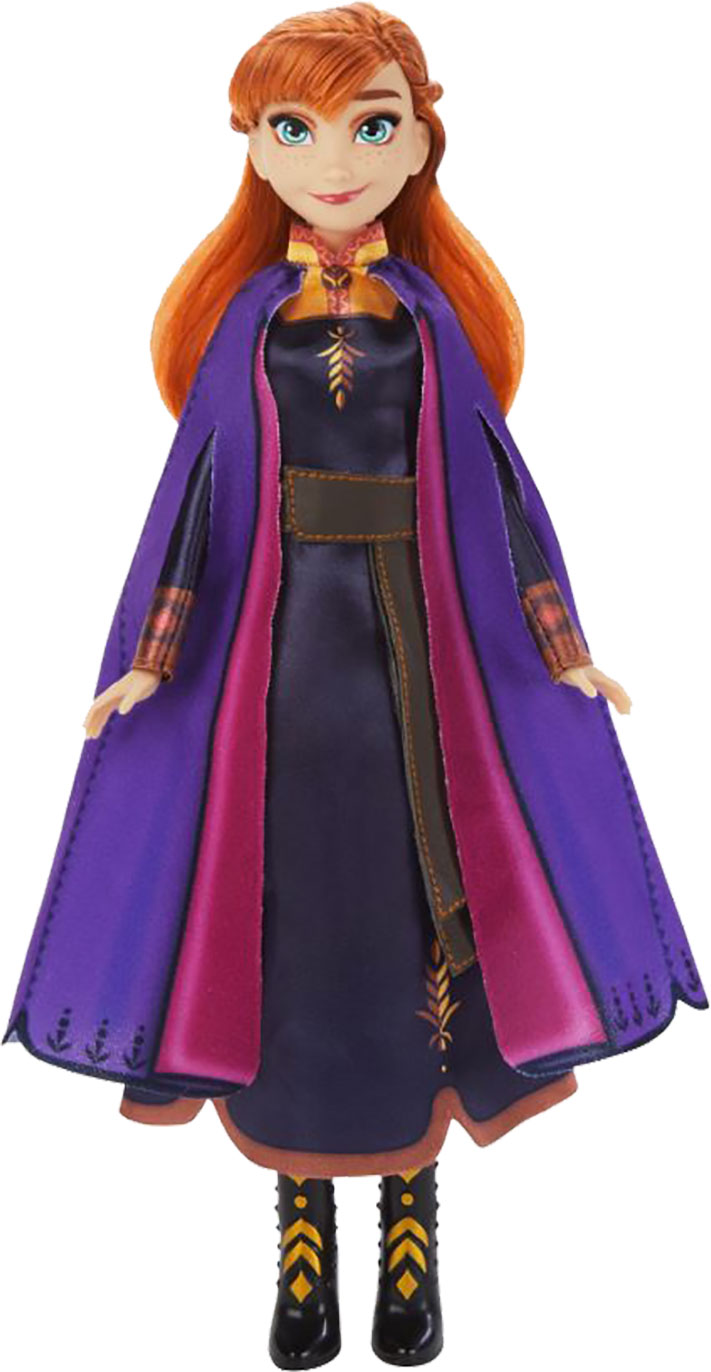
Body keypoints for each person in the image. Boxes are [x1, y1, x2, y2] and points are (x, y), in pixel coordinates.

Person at [5, 6, 706, 1368]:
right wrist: (154, 659)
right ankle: (301, 1246)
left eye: (371, 124)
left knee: (427, 913)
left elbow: (501, 496)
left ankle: (411, 1234)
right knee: (290, 922)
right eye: (297, 128)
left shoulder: (429, 320)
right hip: (278, 676)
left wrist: (561, 645)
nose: (335, 159)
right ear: (256, 149)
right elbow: (197, 506)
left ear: (420, 141)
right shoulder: (248, 324)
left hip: (422, 667)